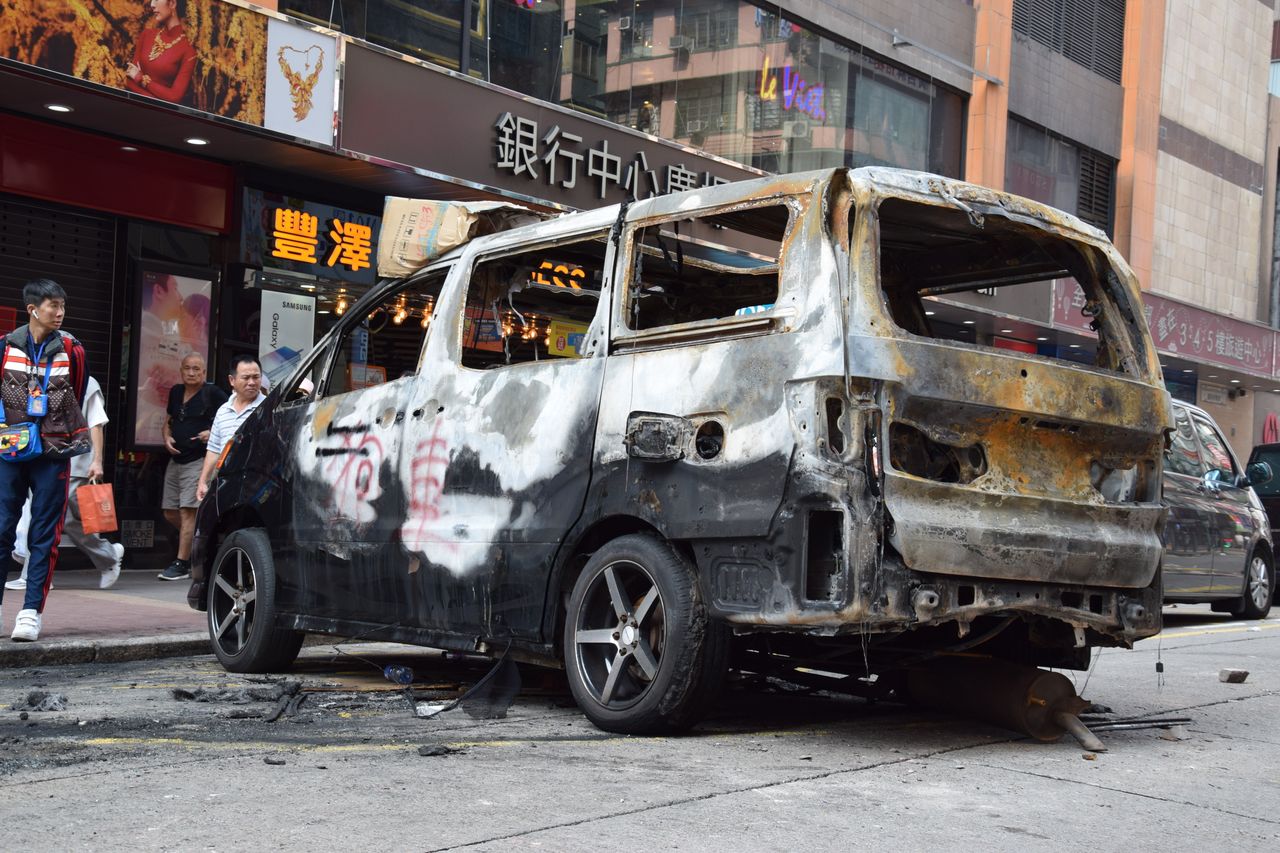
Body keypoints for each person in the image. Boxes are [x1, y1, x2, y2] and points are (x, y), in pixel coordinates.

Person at [0, 279, 90, 642]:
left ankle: (30, 612)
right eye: (53, 305)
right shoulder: (5, 347)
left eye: (62, 306)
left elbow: (77, 392)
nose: (60, 312)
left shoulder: (72, 348)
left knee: (44, 533)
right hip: (9, 449)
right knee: (2, 526)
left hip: (54, 451)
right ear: (32, 309)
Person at [6, 376, 124, 591]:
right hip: (46, 460)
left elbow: (96, 423)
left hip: (76, 463)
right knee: (52, 518)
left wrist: (97, 461)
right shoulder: (44, 375)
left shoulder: (88, 383)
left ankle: (37, 575)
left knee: (55, 519)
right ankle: (36, 574)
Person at [157, 353, 226, 582]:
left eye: (197, 369)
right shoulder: (176, 392)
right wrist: (166, 437)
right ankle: (204, 542)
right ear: (181, 370)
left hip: (199, 460)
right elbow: (169, 420)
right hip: (176, 459)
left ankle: (181, 563)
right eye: (188, 368)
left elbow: (228, 418)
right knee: (170, 511)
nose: (192, 373)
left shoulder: (213, 393)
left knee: (188, 512)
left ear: (204, 372)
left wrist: (211, 433)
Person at [195, 355, 265, 505]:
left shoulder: (268, 408)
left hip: (255, 487)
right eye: (246, 378)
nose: (252, 382)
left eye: (256, 377)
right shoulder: (223, 411)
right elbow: (214, 450)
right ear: (232, 380)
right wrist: (203, 481)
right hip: (224, 485)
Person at [124, 0, 197, 105]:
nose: (152, 5)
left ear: (172, 3)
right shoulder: (146, 35)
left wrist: (140, 79)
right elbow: (130, 80)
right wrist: (159, 98)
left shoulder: (189, 52)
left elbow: (174, 97)